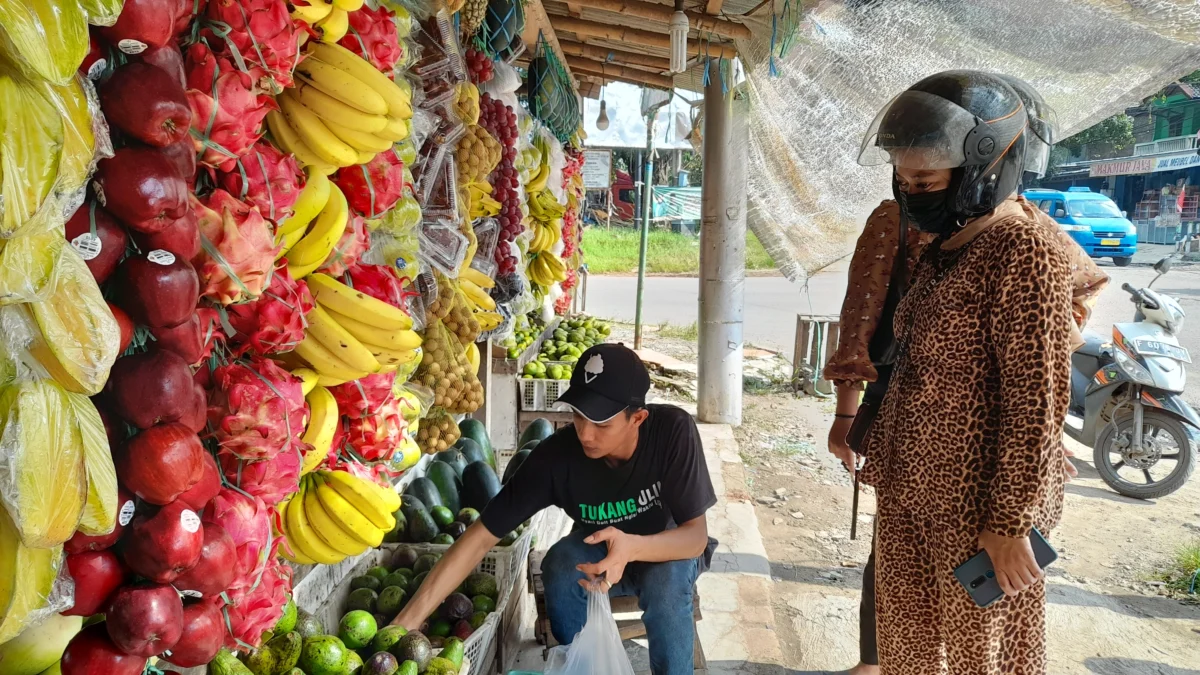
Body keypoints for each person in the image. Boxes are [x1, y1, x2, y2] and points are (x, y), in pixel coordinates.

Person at [824, 74, 1109, 675]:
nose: (911, 192)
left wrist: (1010, 524)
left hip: (978, 513)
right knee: (905, 651)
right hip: (908, 495)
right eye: (903, 180)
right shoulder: (940, 246)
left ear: (986, 166)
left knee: (984, 659)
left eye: (925, 181)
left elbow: (1037, 402)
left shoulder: (1023, 249)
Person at [392, 343, 716, 675]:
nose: (585, 434)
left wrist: (633, 546)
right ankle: (581, 667)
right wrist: (406, 623)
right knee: (560, 567)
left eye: (601, 423)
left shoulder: (672, 433)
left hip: (665, 549)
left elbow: (695, 538)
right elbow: (479, 538)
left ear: (638, 418)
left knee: (665, 587)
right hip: (599, 553)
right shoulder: (555, 458)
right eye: (578, 415)